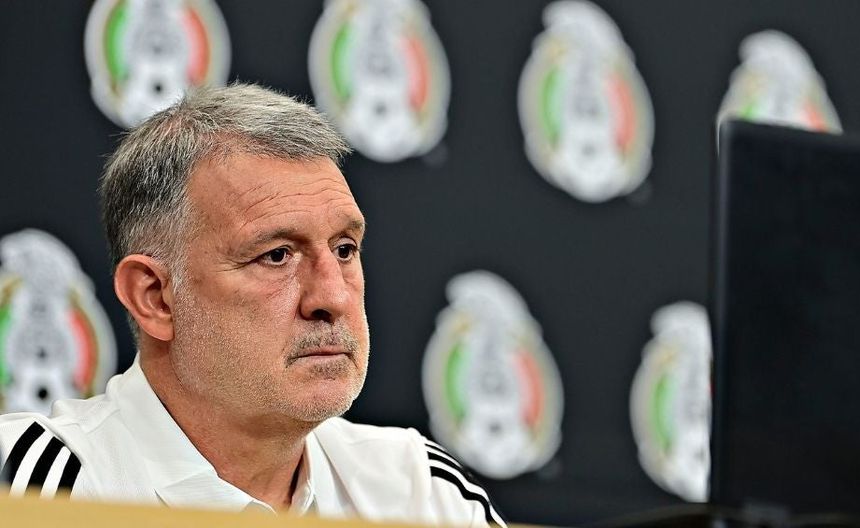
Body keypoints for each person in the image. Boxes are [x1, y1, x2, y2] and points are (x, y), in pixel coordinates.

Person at [0, 83, 504, 526]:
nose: (332, 297)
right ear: (154, 297)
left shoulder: (421, 493)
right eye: (277, 255)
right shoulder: (32, 489)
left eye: (345, 250)